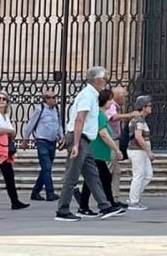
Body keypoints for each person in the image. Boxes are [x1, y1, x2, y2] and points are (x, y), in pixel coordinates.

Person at [54, 66, 124, 222]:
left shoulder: (92, 96)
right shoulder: (87, 96)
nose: (105, 83)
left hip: (86, 140)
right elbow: (80, 118)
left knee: (93, 175)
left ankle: (105, 206)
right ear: (98, 80)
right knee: (72, 176)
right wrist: (76, 144)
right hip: (80, 138)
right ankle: (62, 210)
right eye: (104, 79)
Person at [80, 89, 124, 215]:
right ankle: (108, 204)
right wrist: (116, 149)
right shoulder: (99, 115)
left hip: (98, 153)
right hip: (95, 153)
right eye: (110, 99)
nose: (112, 102)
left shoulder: (101, 115)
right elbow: (103, 134)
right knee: (104, 177)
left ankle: (85, 206)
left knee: (93, 179)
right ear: (104, 101)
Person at [23, 88, 64, 202]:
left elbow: (58, 124)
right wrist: (25, 138)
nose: (55, 99)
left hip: (52, 141)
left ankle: (35, 191)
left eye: (55, 97)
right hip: (42, 141)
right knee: (47, 167)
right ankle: (49, 192)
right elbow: (31, 124)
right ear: (46, 99)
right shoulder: (39, 109)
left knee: (46, 168)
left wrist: (61, 136)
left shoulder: (56, 109)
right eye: (52, 97)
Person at [126, 96, 154, 210]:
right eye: (149, 105)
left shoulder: (141, 119)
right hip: (137, 151)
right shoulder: (138, 120)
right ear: (143, 107)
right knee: (139, 175)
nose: (151, 108)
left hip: (141, 151)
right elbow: (138, 136)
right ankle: (133, 201)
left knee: (148, 175)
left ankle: (134, 196)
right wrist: (148, 150)